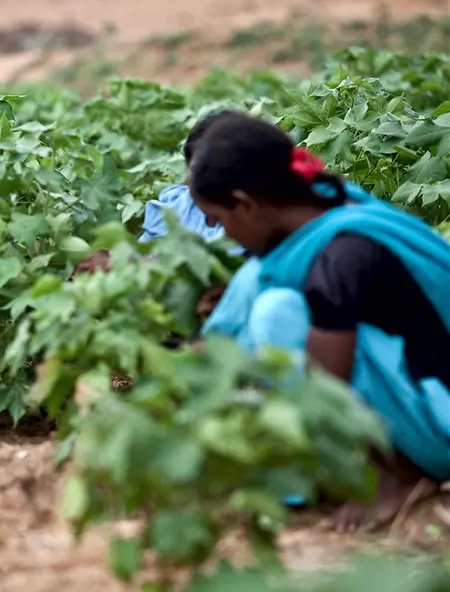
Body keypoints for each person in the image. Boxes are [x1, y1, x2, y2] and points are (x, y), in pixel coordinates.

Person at [190, 111, 450, 532]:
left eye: (220, 220)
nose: (223, 234)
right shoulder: (336, 210)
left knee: (277, 314)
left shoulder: (340, 257)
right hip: (420, 403)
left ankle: (397, 477)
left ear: (246, 204)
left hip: (439, 422)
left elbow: (325, 393)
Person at [75, 109, 243, 319]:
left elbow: (210, 273)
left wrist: (122, 265)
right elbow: (147, 253)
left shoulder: (247, 219)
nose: (206, 182)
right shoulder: (175, 205)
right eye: (196, 172)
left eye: (219, 173)